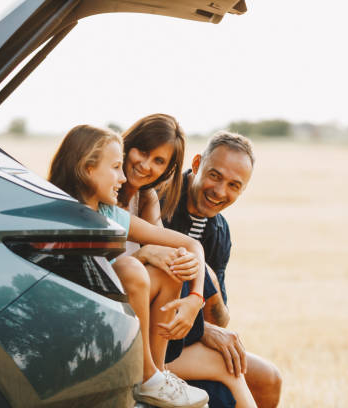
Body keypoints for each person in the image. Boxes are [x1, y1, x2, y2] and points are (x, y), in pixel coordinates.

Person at [48, 124, 209, 408]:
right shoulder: (62, 215)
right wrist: (140, 258)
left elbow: (190, 244)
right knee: (133, 269)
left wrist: (196, 297)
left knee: (169, 265)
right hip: (78, 323)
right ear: (87, 169)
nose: (123, 177)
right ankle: (148, 377)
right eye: (115, 167)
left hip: (114, 314)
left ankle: (157, 377)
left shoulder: (111, 214)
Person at [163, 131, 282, 408]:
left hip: (189, 336)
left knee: (269, 379)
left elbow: (218, 318)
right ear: (196, 164)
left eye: (234, 185)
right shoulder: (159, 202)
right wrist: (203, 330)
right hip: (154, 339)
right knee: (226, 390)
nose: (220, 192)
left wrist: (206, 275)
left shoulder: (219, 231)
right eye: (215, 176)